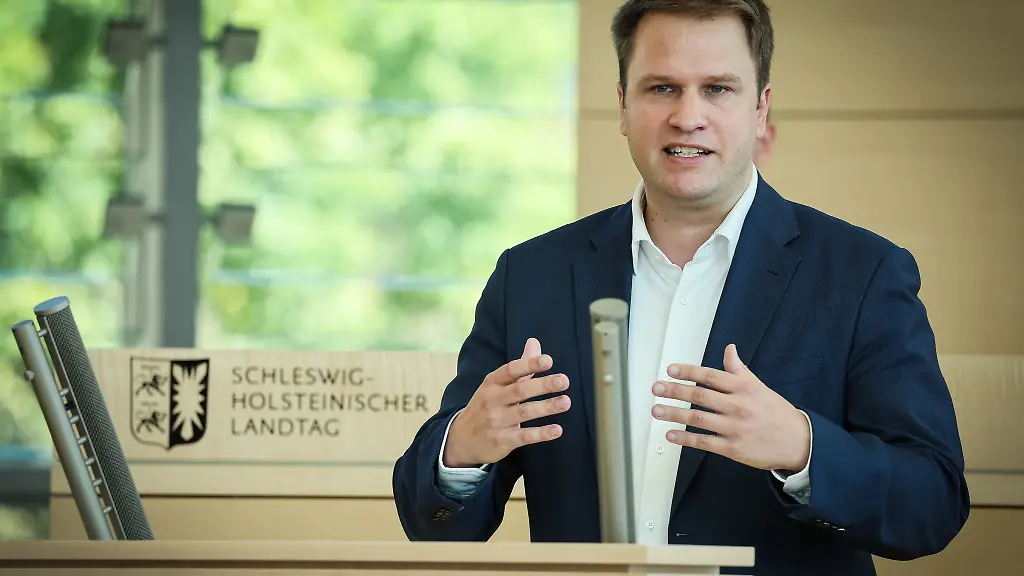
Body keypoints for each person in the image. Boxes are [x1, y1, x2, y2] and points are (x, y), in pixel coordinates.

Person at [392, 1, 970, 574]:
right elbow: (434, 524)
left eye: (718, 89)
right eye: (662, 88)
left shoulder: (863, 274)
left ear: (761, 107)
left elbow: (932, 503)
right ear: (623, 105)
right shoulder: (531, 276)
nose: (688, 116)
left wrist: (802, 448)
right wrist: (462, 447)